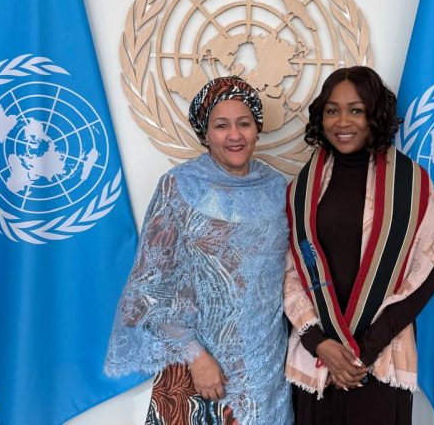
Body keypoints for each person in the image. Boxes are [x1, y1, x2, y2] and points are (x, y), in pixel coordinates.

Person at [105, 76, 293, 424]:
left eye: (244, 123)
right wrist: (195, 356)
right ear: (205, 133)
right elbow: (151, 284)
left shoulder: (276, 187)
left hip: (266, 368)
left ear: (257, 128)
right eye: (221, 126)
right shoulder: (180, 186)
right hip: (200, 370)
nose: (234, 135)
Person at [283, 66, 434, 425]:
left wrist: (362, 353)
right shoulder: (301, 190)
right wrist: (319, 343)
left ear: (375, 114)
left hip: (379, 360)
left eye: (356, 110)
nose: (343, 121)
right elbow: (290, 272)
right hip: (318, 360)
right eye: (332, 110)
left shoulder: (411, 185)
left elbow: (429, 273)